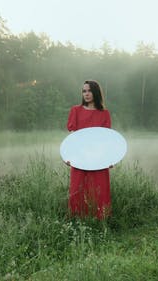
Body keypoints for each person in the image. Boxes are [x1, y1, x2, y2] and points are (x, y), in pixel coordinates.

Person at [65, 80, 112, 219]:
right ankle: (76, 220)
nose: (86, 94)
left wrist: (110, 157)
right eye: (84, 91)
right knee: (77, 188)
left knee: (99, 188)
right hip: (80, 157)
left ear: (95, 92)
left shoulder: (104, 113)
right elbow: (72, 137)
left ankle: (100, 220)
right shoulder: (76, 110)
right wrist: (68, 155)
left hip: (98, 157)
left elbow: (107, 139)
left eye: (89, 90)